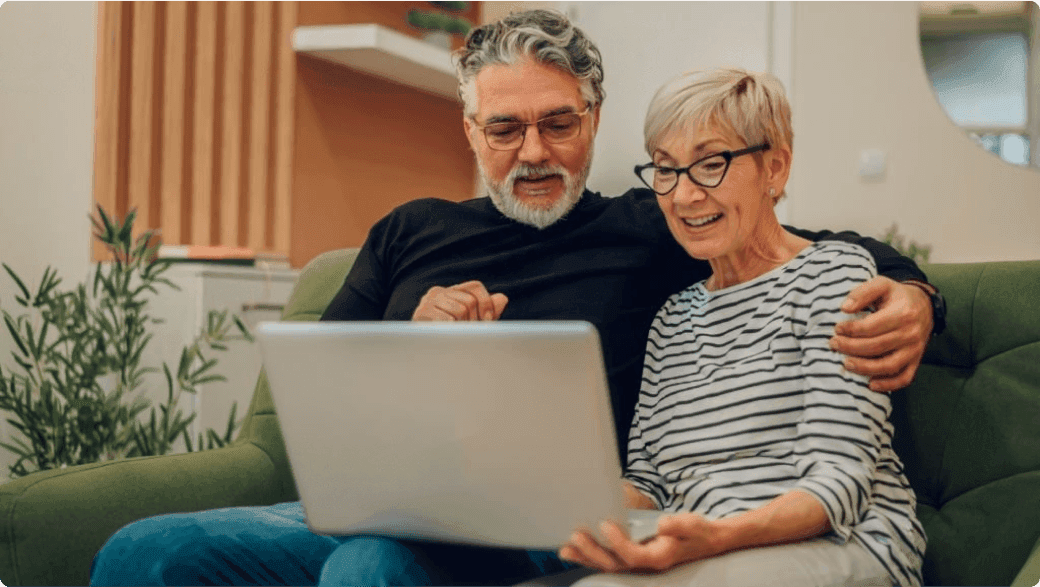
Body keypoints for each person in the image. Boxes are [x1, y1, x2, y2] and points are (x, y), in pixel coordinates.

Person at [89, 10, 939, 586]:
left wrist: (915, 295)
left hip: (532, 516)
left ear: (594, 120)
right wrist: (408, 344)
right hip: (374, 497)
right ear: (470, 130)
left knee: (370, 569)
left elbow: (810, 248)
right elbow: (325, 401)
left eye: (557, 124)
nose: (534, 151)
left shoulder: (658, 225)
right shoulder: (405, 233)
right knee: (145, 549)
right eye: (505, 129)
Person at [558, 68, 925, 587]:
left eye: (710, 164)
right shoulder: (671, 320)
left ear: (774, 167)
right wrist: (572, 510)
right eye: (666, 169)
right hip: (707, 556)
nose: (684, 196)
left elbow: (840, 483)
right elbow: (647, 480)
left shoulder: (834, 275)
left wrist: (717, 538)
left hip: (847, 546)